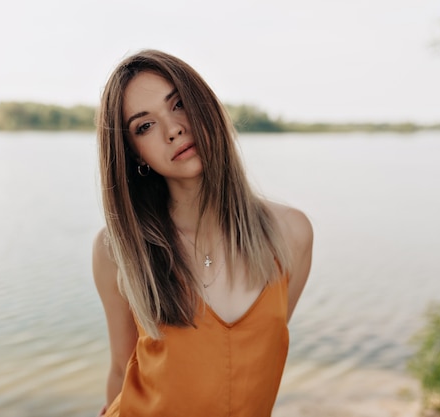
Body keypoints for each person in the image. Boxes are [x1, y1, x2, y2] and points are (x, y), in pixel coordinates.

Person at [92, 49, 313, 417]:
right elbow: (121, 367)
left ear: (205, 104)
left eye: (178, 104)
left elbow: (249, 360)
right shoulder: (117, 250)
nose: (173, 129)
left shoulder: (291, 235)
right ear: (136, 155)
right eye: (144, 126)